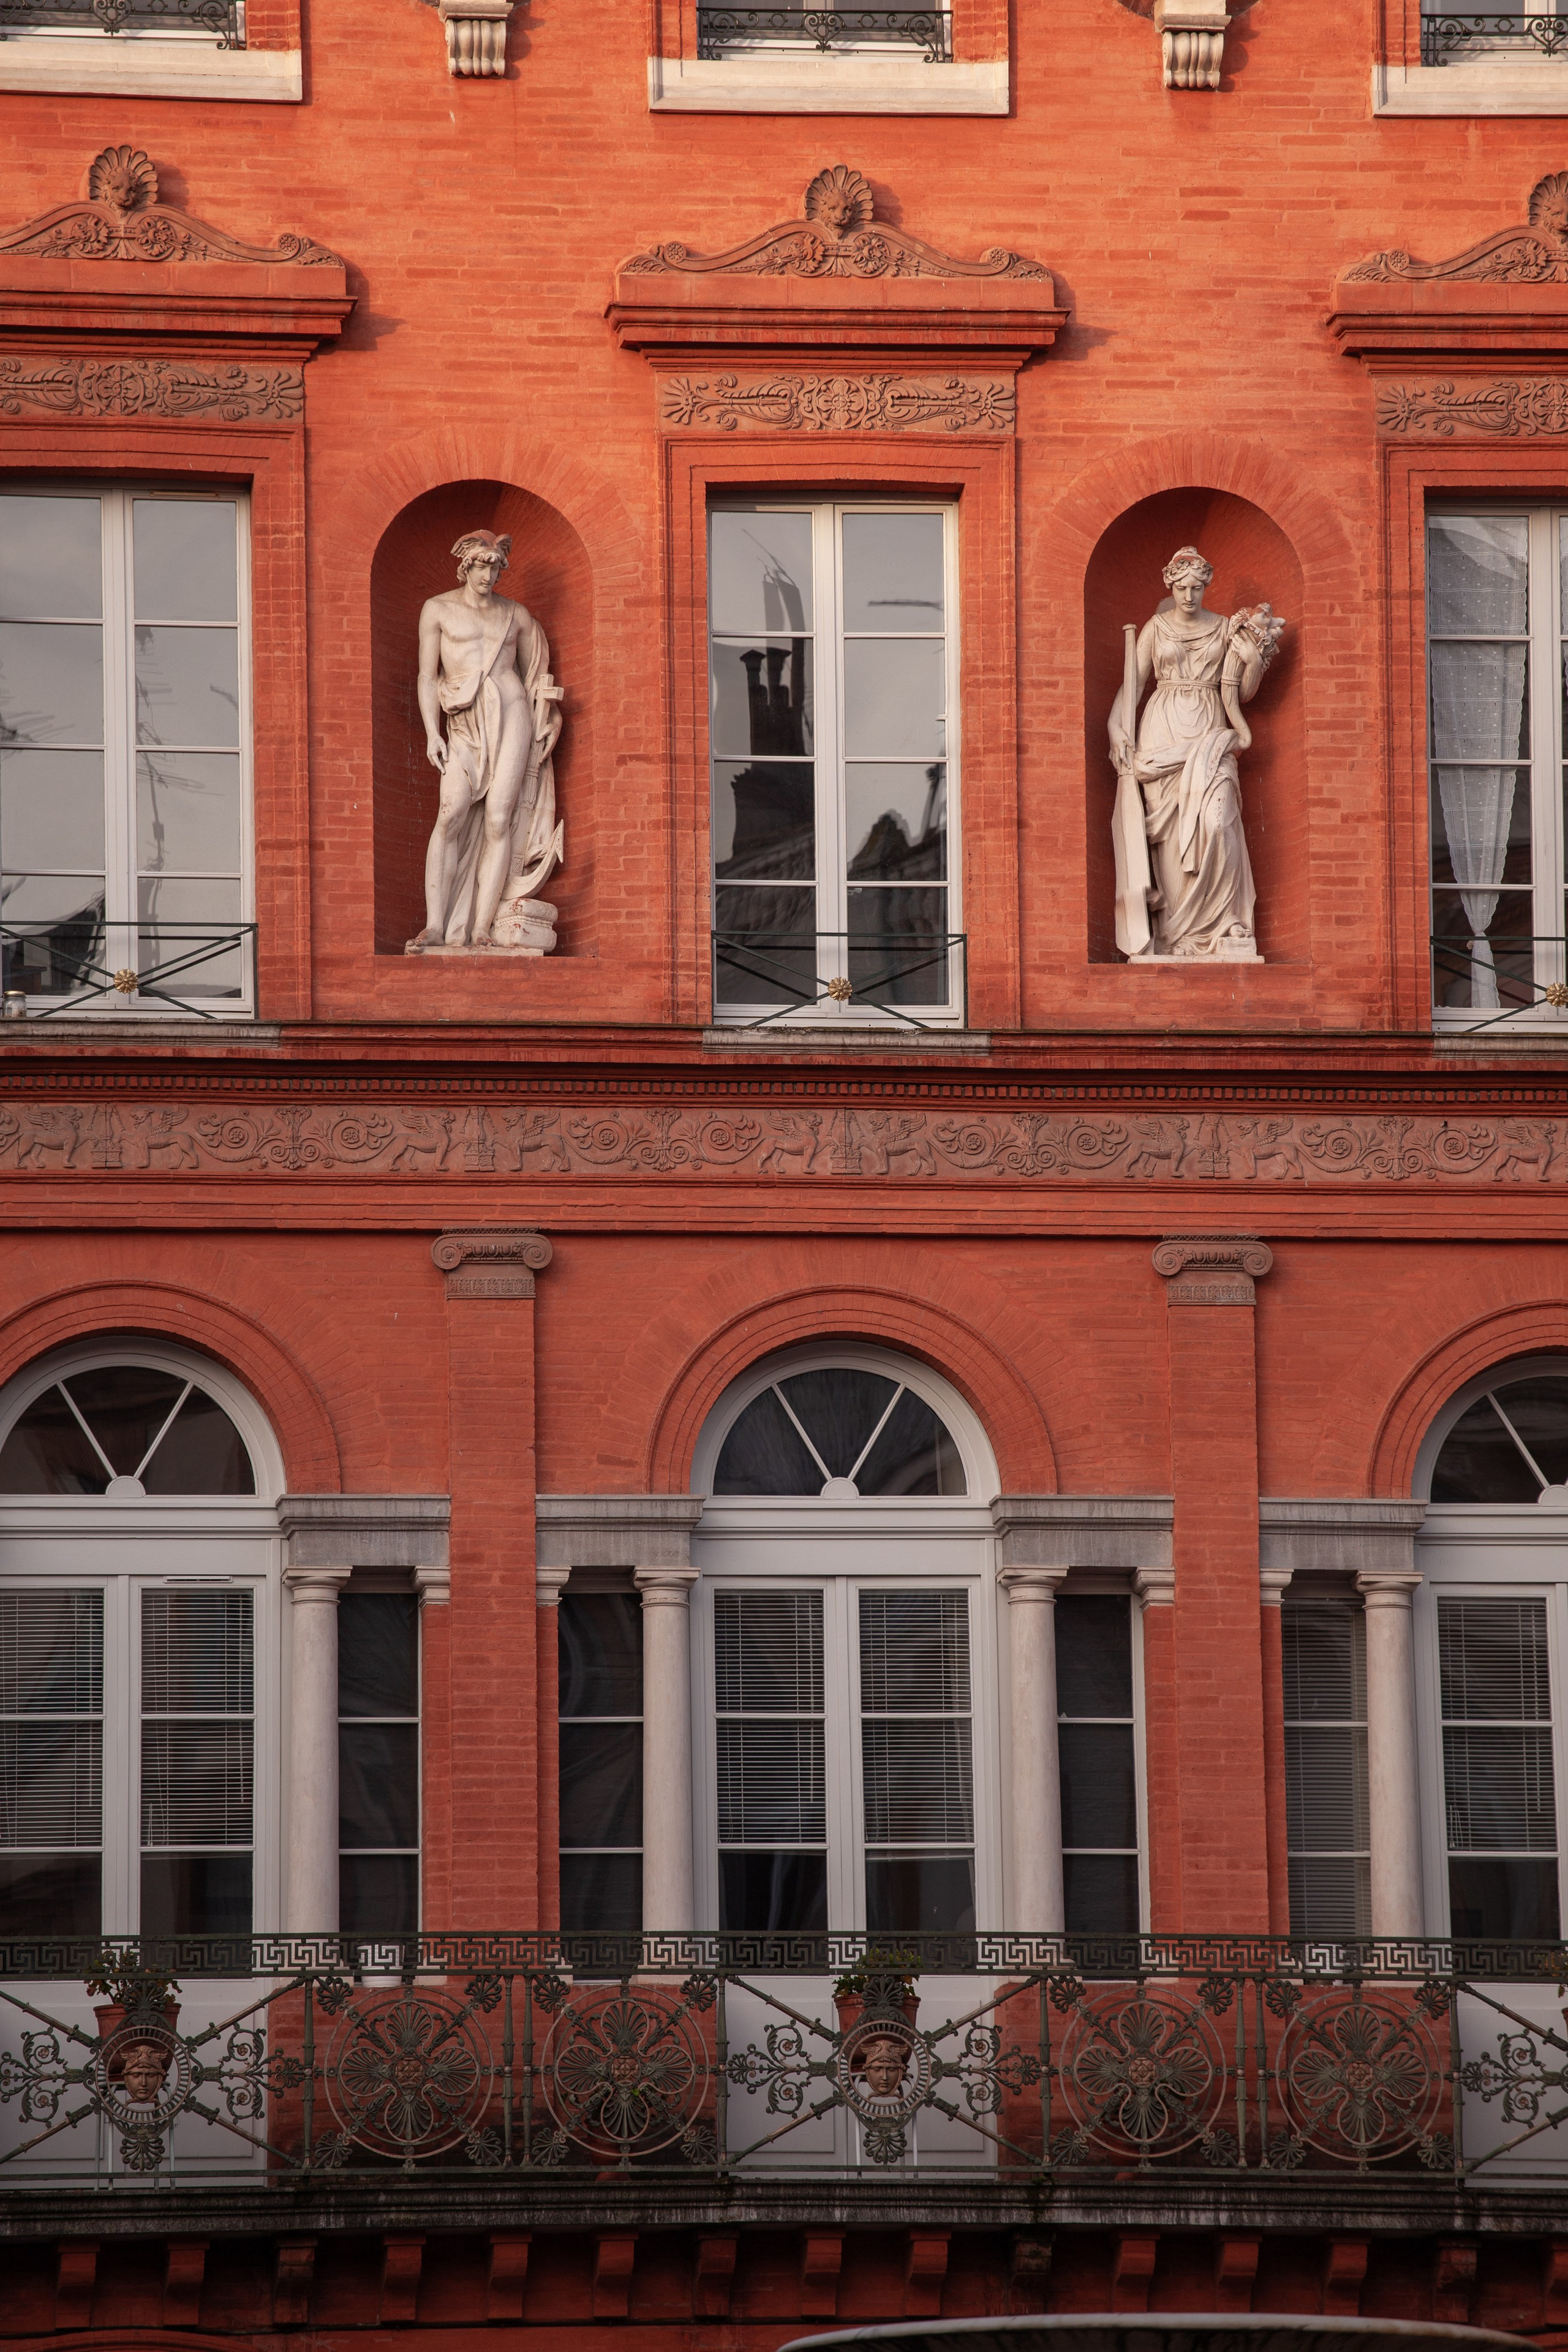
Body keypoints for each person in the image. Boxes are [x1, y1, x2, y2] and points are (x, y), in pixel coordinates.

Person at [1109, 546, 1284, 962]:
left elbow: (1240, 693)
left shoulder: (1225, 628)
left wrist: (1252, 661)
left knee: (1218, 821)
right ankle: (1174, 935)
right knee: (1169, 840)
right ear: (1171, 584)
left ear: (1206, 586)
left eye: (1197, 587)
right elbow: (1131, 688)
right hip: (1161, 729)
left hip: (1210, 732)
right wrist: (1116, 729)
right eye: (1182, 587)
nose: (1189, 595)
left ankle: (1224, 924)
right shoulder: (1155, 627)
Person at [406, 529, 564, 952]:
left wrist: (551, 719)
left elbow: (538, 678)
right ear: (466, 565)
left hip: (511, 713)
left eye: (496, 568)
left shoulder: (517, 616)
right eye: (482, 566)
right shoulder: (437, 610)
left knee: (498, 820)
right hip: (462, 719)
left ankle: (481, 928)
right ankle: (436, 925)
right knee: (450, 812)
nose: (489, 575)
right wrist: (431, 732)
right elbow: (426, 676)